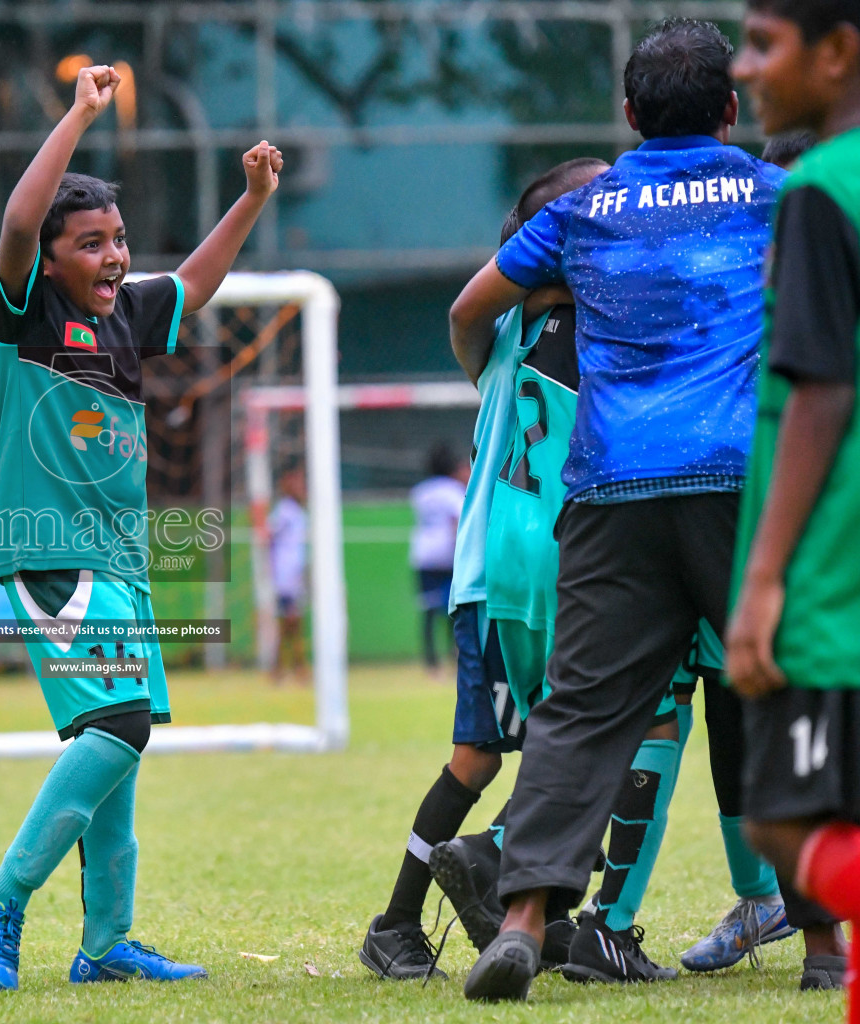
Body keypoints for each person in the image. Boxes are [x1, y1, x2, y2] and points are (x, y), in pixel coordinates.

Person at [447, 20, 790, 1002]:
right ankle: (825, 938)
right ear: (733, 109)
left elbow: (474, 308)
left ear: (631, 115)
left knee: (582, 709)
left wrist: (488, 383)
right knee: (799, 685)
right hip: (739, 478)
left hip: (610, 490)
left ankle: (522, 920)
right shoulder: (777, 197)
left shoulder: (590, 203)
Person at [0, 63, 282, 991]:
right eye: (91, 243)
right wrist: (78, 115)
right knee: (120, 724)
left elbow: (192, 285)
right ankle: (1, 896)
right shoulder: (24, 313)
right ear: (52, 259)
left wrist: (251, 200)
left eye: (118, 240)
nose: (111, 258)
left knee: (121, 746)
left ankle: (105, 945)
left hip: (119, 561)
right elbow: (19, 221)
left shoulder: (127, 312)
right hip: (51, 553)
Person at [358, 158, 607, 983]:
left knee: (528, 750)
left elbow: (468, 318)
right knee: (509, 754)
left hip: (506, 576)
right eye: (589, 204)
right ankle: (417, 909)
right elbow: (478, 307)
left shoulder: (510, 332)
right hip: (512, 578)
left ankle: (520, 912)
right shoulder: (556, 330)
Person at [728, 0, 860, 1015]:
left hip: (827, 566)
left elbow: (821, 388)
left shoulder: (818, 188)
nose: (746, 65)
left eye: (764, 44)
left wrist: (764, 577)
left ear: (837, 53)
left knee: (782, 822)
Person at [675, 123, 821, 978]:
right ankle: (777, 904)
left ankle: (819, 927)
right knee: (738, 700)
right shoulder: (734, 292)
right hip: (743, 523)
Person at [408, 444, 466, 675]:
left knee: (429, 611)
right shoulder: (454, 490)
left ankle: (431, 664)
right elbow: (456, 520)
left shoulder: (420, 491)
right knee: (454, 610)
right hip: (448, 556)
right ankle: (456, 657)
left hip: (423, 554)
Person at [268, 467, 309, 686]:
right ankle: (295, 668)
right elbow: (269, 534)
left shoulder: (298, 512)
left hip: (296, 575)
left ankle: (283, 669)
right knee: (290, 622)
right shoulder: (284, 510)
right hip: (286, 577)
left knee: (292, 623)